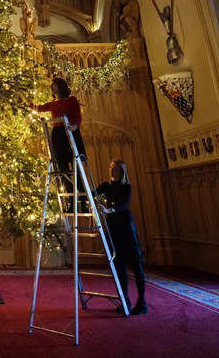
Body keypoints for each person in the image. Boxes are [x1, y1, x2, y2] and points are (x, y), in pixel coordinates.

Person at [96, 160, 148, 315]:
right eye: (111, 168)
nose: (112, 171)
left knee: (136, 264)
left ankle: (142, 302)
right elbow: (92, 192)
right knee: (119, 266)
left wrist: (110, 210)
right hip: (113, 229)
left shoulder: (127, 187)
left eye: (116, 169)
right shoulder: (106, 186)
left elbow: (124, 205)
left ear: (122, 171)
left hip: (125, 228)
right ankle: (125, 300)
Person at [30, 76, 87, 175]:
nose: (52, 87)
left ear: (61, 86)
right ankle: (68, 188)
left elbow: (78, 117)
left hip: (69, 132)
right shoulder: (52, 104)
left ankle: (80, 188)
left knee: (74, 161)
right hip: (58, 134)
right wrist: (25, 100)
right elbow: (38, 108)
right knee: (61, 162)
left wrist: (74, 126)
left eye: (54, 85)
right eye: (51, 85)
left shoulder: (72, 100)